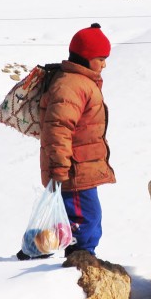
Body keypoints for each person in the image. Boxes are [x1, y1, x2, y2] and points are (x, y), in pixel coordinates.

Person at [17, 23, 116, 260]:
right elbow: (58, 129)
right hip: (73, 169)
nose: (104, 64)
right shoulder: (71, 85)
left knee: (84, 217)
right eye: (100, 58)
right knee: (85, 218)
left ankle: (40, 249)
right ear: (86, 57)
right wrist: (60, 166)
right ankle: (79, 258)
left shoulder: (79, 82)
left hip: (80, 167)